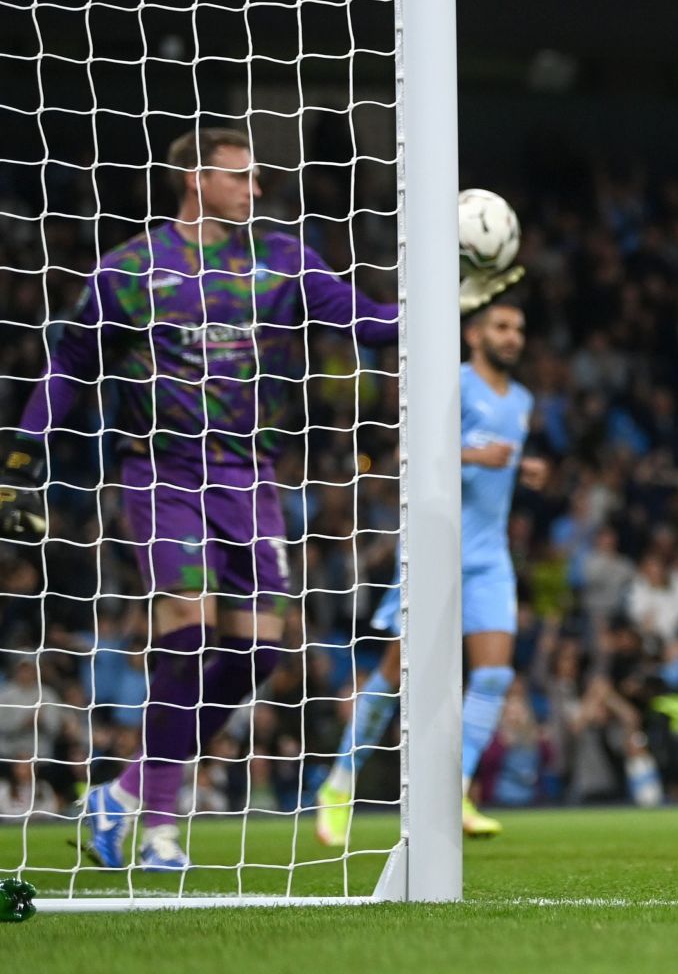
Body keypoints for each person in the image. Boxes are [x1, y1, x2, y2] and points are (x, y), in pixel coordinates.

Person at [0, 128, 404, 871]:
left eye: (256, 179)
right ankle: (158, 824)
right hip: (163, 473)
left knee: (260, 648)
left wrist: (454, 297)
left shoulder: (283, 262)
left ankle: (119, 792)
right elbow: (66, 370)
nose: (255, 190)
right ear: (194, 180)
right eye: (240, 178)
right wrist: (21, 464)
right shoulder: (128, 271)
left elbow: (370, 323)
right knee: (188, 629)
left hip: (251, 478)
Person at [315, 302, 547, 844]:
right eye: (501, 327)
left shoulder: (523, 401)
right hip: (435, 547)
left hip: (488, 557)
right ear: (473, 333)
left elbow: (497, 460)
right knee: (399, 674)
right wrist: (474, 456)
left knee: (492, 675)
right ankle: (339, 782)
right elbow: (406, 455)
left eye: (519, 328)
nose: (513, 337)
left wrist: (522, 466)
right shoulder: (455, 384)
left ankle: (456, 790)